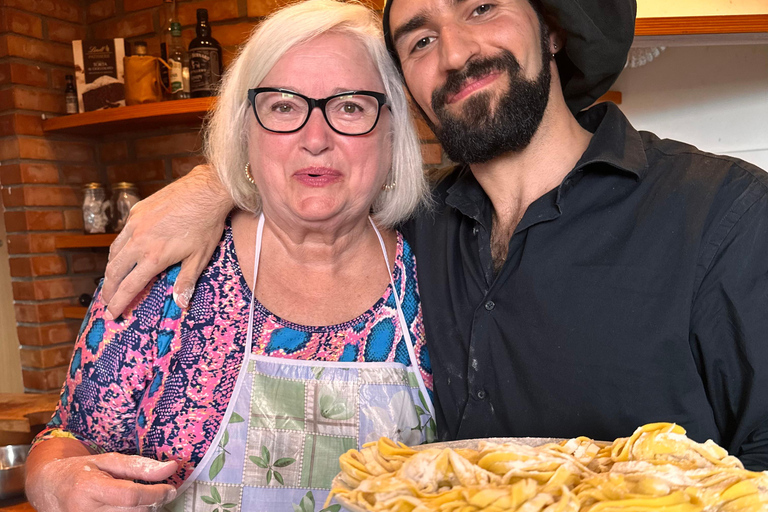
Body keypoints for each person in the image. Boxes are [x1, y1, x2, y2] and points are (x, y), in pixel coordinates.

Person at [101, 0, 768, 470]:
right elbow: (313, 165)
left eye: (481, 8)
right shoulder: (409, 229)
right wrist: (212, 185)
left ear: (553, 28)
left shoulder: (724, 215)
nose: (454, 54)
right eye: (419, 39)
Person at [25, 2, 436, 511]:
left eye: (350, 106)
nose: (315, 139)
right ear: (246, 129)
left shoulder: (440, 272)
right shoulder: (168, 273)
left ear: (392, 130)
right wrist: (54, 484)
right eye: (283, 106)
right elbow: (67, 435)